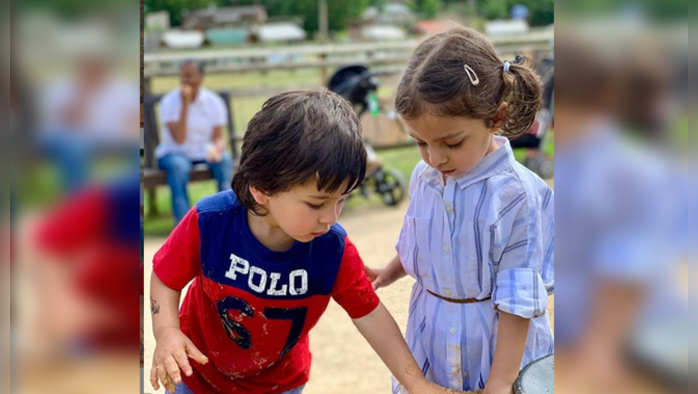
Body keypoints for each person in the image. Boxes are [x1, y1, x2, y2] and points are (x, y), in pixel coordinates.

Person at [149, 90, 449, 394]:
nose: (330, 217)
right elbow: (165, 277)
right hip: (197, 378)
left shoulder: (332, 249)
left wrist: (417, 384)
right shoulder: (210, 222)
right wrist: (167, 332)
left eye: (342, 200)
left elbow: (371, 316)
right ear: (262, 188)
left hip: (279, 386)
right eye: (317, 203)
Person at [366, 28, 554, 393]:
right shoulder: (425, 177)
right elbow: (421, 236)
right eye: (420, 142)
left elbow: (518, 301)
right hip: (432, 334)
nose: (435, 158)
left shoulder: (516, 195)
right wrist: (390, 272)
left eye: (451, 143)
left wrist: (500, 382)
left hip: (495, 346)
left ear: (495, 119)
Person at [156, 60, 233, 224]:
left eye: (189, 76)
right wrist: (185, 105)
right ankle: (184, 225)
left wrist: (218, 148)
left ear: (200, 78)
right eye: (183, 76)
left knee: (224, 160)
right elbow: (179, 139)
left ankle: (227, 219)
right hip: (174, 153)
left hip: (203, 153)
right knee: (179, 167)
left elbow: (218, 136)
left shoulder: (214, 102)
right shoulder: (170, 102)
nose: (185, 80)